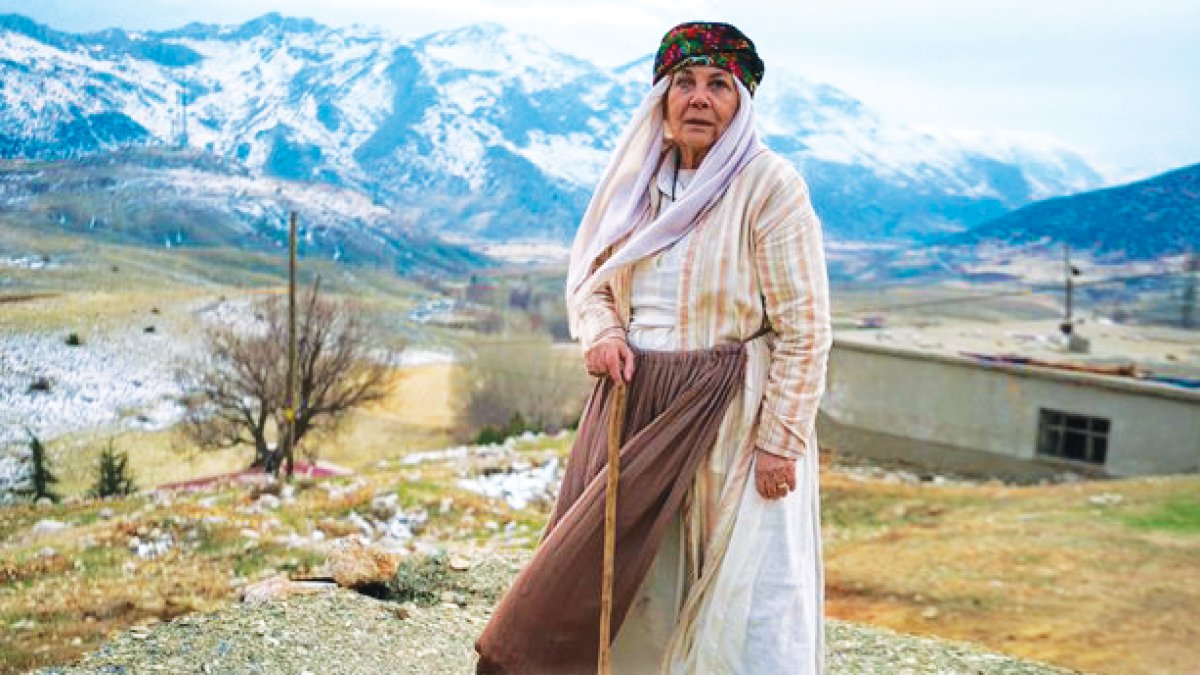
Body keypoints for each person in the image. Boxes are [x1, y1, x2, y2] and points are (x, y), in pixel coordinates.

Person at [476, 21, 832, 674]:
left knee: (733, 581)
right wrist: (604, 332)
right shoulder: (637, 187)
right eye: (684, 82)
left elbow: (805, 326)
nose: (699, 98)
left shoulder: (770, 187)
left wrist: (781, 440)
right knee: (628, 579)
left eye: (719, 85)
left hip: (730, 414)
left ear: (742, 102)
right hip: (635, 408)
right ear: (662, 99)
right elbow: (594, 283)